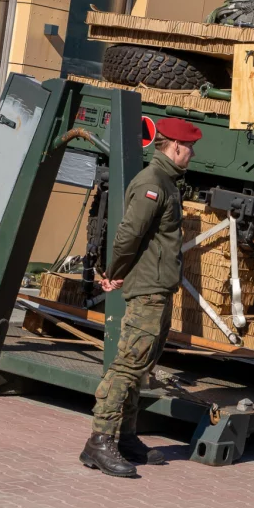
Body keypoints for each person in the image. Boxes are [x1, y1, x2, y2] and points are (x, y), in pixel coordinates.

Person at [79, 117, 201, 478]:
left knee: (141, 366)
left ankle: (126, 436)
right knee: (128, 365)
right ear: (175, 146)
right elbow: (129, 233)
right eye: (189, 147)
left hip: (159, 287)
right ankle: (100, 441)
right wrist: (114, 272)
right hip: (146, 288)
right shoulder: (152, 183)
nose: (192, 153)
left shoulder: (167, 182)